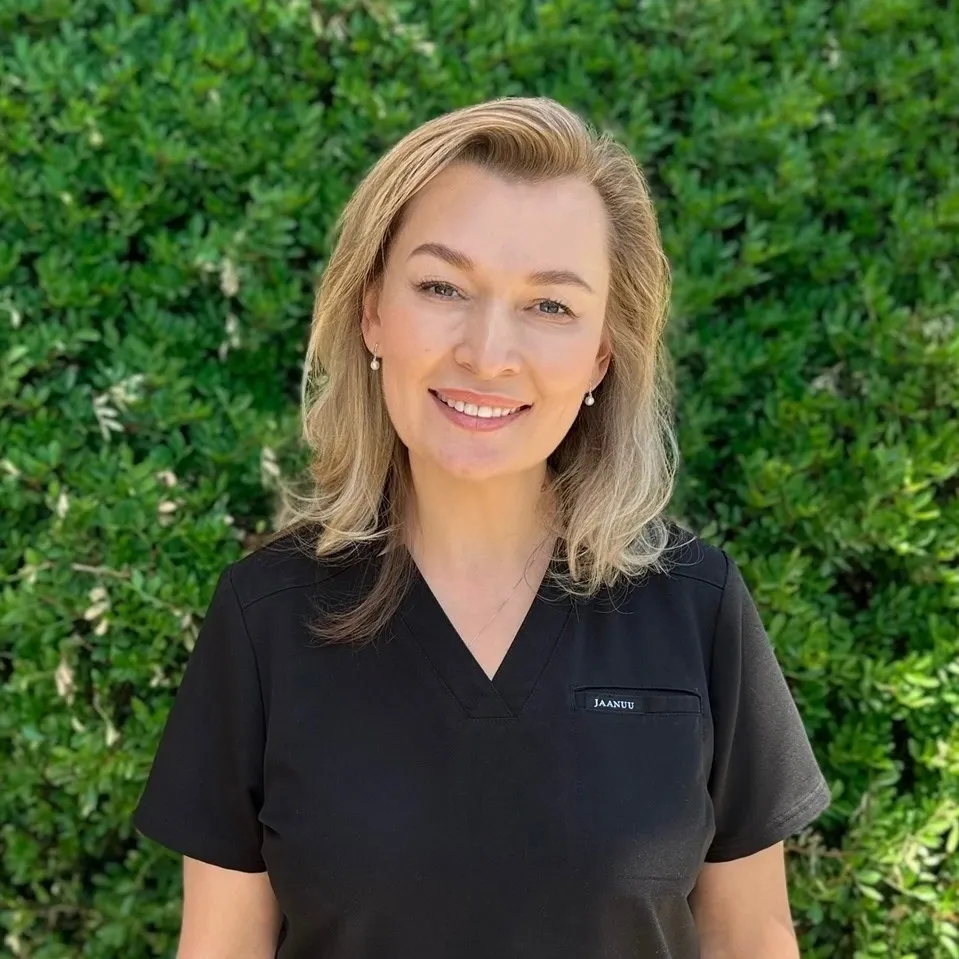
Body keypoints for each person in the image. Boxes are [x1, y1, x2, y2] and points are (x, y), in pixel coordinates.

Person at [133, 95, 831, 959]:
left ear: (600, 359)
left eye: (550, 306)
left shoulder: (694, 608)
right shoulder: (265, 617)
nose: (488, 352)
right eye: (441, 287)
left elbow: (751, 938)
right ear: (371, 311)